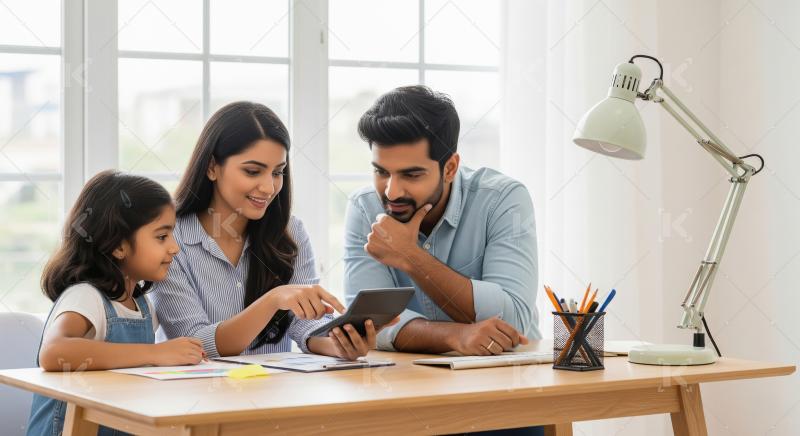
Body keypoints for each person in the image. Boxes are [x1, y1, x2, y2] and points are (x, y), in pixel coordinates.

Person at [152, 101, 390, 361]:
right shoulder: (169, 239)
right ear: (212, 167)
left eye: (278, 172)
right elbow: (194, 342)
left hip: (275, 394)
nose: (268, 187)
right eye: (252, 171)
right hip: (198, 394)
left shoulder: (290, 232)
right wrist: (273, 300)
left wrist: (338, 344)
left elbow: (304, 324)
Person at [27, 170, 203, 436]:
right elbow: (53, 353)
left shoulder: (142, 307)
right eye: (161, 237)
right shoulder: (86, 297)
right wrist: (156, 354)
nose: (174, 247)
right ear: (119, 246)